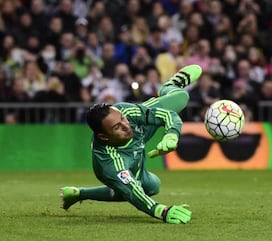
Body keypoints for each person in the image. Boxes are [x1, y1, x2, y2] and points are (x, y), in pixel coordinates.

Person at [60, 64, 203, 224]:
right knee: (148, 187)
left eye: (122, 119)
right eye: (116, 127)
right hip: (126, 158)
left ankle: (170, 85)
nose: (125, 126)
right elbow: (134, 192)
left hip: (141, 130)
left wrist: (171, 135)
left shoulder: (126, 112)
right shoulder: (109, 162)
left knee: (181, 97)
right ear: (104, 137)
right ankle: (80, 194)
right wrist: (162, 211)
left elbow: (168, 115)